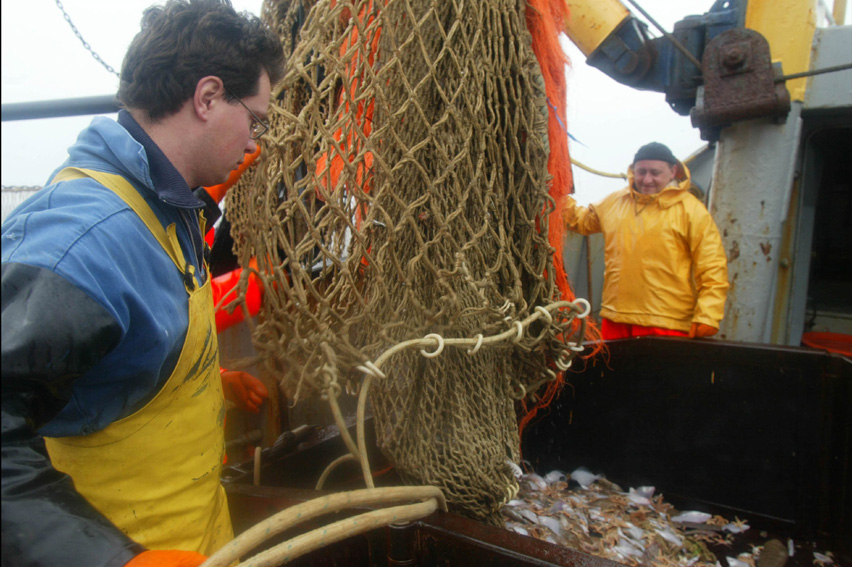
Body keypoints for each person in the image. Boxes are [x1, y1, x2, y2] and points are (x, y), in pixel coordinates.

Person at [0, 1, 285, 565]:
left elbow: (126, 343)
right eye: (255, 121)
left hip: (203, 536)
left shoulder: (165, 208)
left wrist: (205, 380)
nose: (255, 144)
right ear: (208, 98)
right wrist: (109, 560)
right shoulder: (82, 240)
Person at [563, 142, 729, 340]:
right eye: (641, 172)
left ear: (673, 171)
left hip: (667, 323)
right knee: (614, 362)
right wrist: (554, 193)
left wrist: (709, 315)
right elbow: (581, 221)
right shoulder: (614, 202)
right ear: (633, 170)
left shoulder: (692, 211)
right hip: (615, 318)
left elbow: (712, 267)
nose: (647, 179)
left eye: (655, 173)